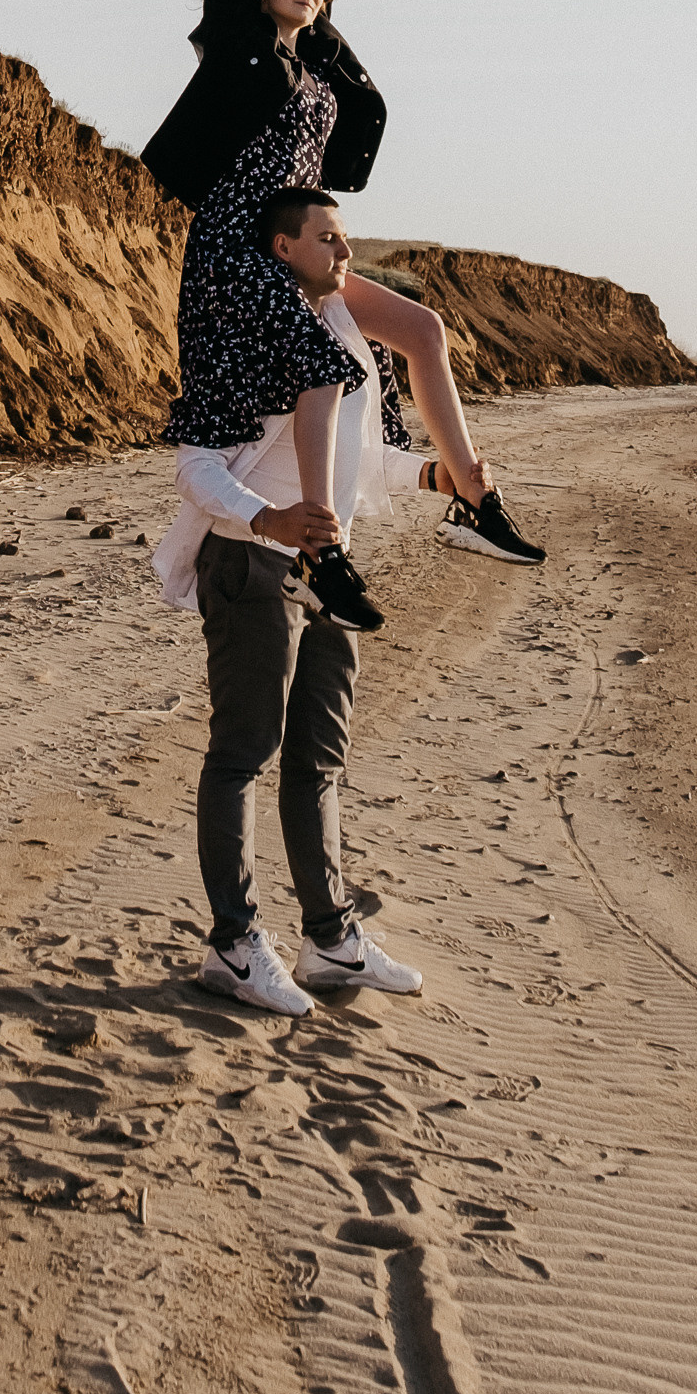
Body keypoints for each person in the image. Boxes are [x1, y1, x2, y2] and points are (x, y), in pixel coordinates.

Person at [148, 0, 546, 626]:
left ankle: (472, 496)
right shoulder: (239, 41)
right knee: (326, 370)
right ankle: (321, 554)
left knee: (422, 331)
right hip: (236, 247)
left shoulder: (319, 54)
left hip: (301, 247)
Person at [151, 178, 466, 1015]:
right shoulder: (246, 333)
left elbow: (364, 459)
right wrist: (274, 520)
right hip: (251, 565)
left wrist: (439, 475)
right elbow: (195, 464)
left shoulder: (342, 336)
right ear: (282, 247)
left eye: (344, 235)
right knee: (242, 753)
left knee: (318, 760)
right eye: (327, 237)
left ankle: (330, 941)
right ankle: (232, 944)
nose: (345, 252)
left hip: (332, 570)